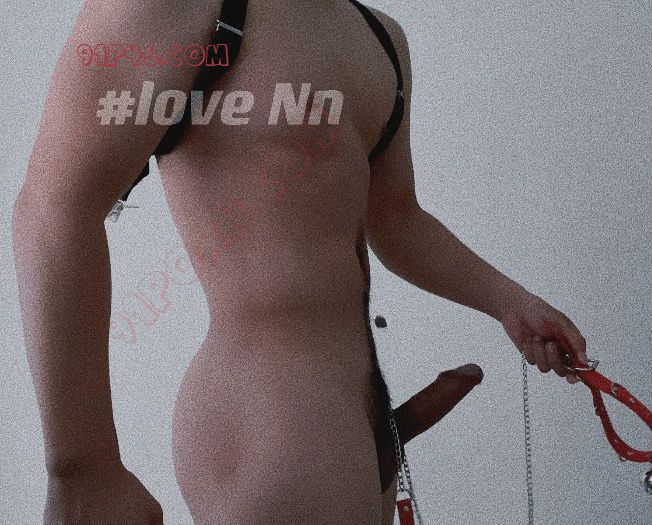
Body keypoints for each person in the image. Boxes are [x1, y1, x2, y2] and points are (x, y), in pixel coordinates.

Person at [11, 0, 588, 523]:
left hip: (356, 425)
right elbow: (52, 206)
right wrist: (83, 471)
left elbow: (396, 218)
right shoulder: (189, 7)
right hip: (270, 416)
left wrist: (511, 303)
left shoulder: (381, 37)